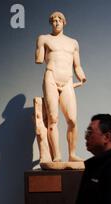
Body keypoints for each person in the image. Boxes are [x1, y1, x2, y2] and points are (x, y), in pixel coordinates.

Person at [35, 11, 87, 163]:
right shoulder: (44, 38)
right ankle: (57, 154)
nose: (56, 22)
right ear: (50, 23)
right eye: (53, 20)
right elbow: (38, 59)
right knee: (53, 118)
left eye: (59, 19)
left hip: (68, 80)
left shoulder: (73, 43)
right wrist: (39, 48)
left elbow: (77, 65)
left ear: (64, 22)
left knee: (72, 120)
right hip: (51, 76)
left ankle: (72, 153)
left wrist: (82, 76)